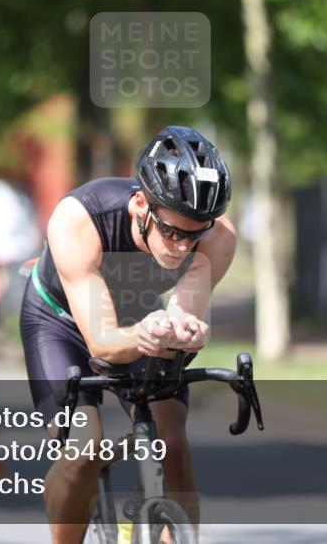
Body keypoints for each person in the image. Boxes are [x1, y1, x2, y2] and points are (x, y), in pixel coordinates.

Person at [20, 125, 237, 544]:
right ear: (141, 205)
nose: (181, 247)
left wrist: (185, 331)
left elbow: (179, 317)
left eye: (194, 235)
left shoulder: (219, 238)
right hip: (58, 320)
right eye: (172, 231)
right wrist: (149, 336)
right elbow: (103, 344)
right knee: (83, 449)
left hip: (137, 313)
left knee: (171, 436)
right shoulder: (78, 219)